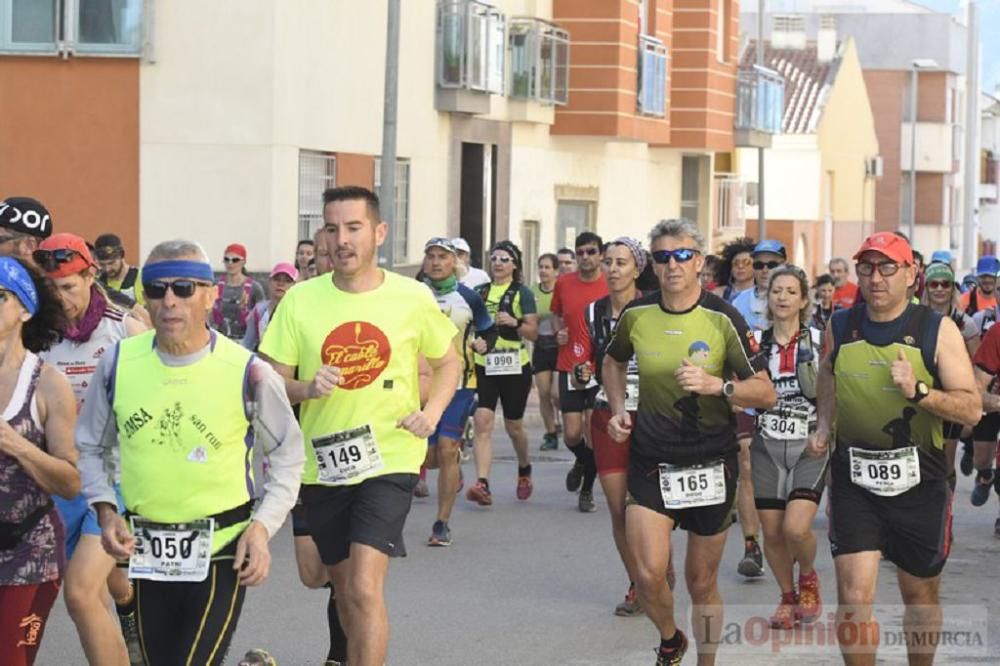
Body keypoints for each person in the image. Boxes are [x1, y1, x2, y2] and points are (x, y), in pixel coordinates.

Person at [76, 239, 304, 665]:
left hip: (222, 545)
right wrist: (106, 510)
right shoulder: (118, 363)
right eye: (156, 289)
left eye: (184, 288)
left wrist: (261, 529)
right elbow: (90, 445)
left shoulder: (248, 371)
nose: (169, 301)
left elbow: (289, 456)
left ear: (210, 294)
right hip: (146, 545)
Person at [260, 186, 461, 666]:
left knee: (367, 588)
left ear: (379, 232)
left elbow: (449, 362)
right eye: (333, 229)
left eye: (354, 228)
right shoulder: (301, 300)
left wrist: (431, 415)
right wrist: (307, 389)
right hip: (321, 465)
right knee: (345, 590)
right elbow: (268, 380)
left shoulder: (411, 297)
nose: (342, 240)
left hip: (389, 458)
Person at [603, 218, 775, 665]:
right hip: (652, 459)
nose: (672, 265)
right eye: (662, 257)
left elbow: (765, 390)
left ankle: (706, 660)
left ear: (699, 262)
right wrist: (620, 408)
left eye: (682, 255)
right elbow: (613, 362)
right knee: (647, 574)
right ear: (653, 266)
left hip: (711, 463)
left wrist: (719, 386)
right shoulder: (637, 315)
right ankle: (670, 636)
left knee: (702, 582)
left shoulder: (723, 317)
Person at [813, 231, 980, 665]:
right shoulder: (840, 325)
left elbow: (971, 409)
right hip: (854, 480)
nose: (876, 278)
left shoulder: (936, 330)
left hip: (920, 482)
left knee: (919, 593)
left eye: (888, 267)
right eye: (866, 267)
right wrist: (823, 424)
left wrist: (920, 391)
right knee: (853, 597)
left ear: (911, 274)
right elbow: (828, 376)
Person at [35, 234, 146, 666]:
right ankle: (130, 610)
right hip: (62, 483)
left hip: (113, 480)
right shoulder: (38, 336)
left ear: (90, 275)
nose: (60, 299)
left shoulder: (125, 329)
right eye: (52, 289)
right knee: (98, 595)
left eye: (69, 287)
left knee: (79, 594)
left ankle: (132, 623)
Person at [0, 256, 80, 666]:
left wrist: (18, 445)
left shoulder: (47, 383)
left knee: (12, 658)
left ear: (25, 311)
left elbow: (69, 481)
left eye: (0, 297)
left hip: (30, 554)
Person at [571, 237, 651, 616]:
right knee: (619, 508)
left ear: (637, 269)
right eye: (609, 262)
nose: (614, 269)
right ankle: (638, 582)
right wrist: (583, 371)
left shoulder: (654, 309)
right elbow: (579, 364)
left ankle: (656, 566)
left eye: (622, 262)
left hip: (651, 416)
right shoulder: (592, 313)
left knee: (649, 507)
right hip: (607, 414)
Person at [750, 265, 828, 630]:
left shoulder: (819, 338)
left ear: (803, 299)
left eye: (790, 291)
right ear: (767, 298)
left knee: (796, 528)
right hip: (767, 445)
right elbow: (741, 388)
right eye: (775, 291)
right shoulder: (754, 341)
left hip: (809, 444)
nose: (781, 297)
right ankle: (786, 597)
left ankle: (808, 577)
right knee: (773, 532)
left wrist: (826, 429)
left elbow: (834, 389)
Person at [420, 237, 495, 545]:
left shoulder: (468, 297)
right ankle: (451, 470)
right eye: (431, 256)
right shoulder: (413, 296)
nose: (436, 262)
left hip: (461, 383)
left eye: (443, 257)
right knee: (428, 457)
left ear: (455, 262)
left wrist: (483, 344)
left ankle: (441, 523)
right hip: (421, 385)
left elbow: (489, 330)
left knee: (448, 447)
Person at [466, 241, 539, 506]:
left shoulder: (523, 293)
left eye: (504, 259)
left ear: (514, 265)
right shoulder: (478, 292)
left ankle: (524, 468)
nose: (498, 263)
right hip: (485, 365)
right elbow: (469, 327)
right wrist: (474, 342)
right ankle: (482, 483)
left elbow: (533, 332)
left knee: (514, 426)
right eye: (494, 258)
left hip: (514, 366)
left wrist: (515, 323)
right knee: (483, 421)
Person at [730, 238, 786, 577]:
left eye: (771, 264)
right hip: (750, 397)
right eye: (759, 264)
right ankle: (752, 545)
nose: (764, 271)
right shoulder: (739, 302)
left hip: (788, 400)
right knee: (747, 464)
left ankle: (782, 538)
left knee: (782, 474)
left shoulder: (794, 296)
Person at [551, 232, 608, 512]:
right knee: (572, 435)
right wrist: (558, 332)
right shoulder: (564, 283)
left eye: (590, 251)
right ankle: (582, 460)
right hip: (569, 365)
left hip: (600, 367)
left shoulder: (611, 284)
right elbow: (556, 315)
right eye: (580, 252)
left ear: (600, 254)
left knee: (593, 432)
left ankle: (587, 490)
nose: (585, 257)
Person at [971, 324, 1000, 537]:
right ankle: (985, 473)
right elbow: (978, 388)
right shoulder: (997, 333)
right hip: (993, 404)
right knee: (981, 458)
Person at [532, 253, 562, 451]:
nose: (543, 270)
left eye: (547, 267)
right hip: (541, 345)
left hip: (560, 346)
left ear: (556, 271)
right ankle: (551, 433)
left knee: (556, 394)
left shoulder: (562, 289)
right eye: (541, 266)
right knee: (543, 393)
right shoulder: (533, 292)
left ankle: (563, 419)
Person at [212, 243, 266, 340]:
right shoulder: (215, 285)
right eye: (226, 259)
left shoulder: (254, 288)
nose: (230, 263)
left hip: (244, 342)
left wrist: (246, 311)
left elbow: (262, 319)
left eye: (235, 260)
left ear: (243, 262)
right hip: (220, 341)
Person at [242, 262, 298, 352]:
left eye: (287, 281)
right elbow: (247, 344)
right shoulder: (259, 310)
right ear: (269, 282)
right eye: (276, 279)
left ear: (295, 285)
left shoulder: (299, 312)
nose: (281, 284)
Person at [94, 233, 142, 303]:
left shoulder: (142, 278)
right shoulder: (98, 282)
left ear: (122, 256)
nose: (107, 269)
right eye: (102, 265)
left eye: (111, 263)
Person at [712, 236, 755, 302]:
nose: (740, 266)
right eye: (736, 263)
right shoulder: (717, 294)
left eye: (746, 262)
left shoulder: (763, 294)